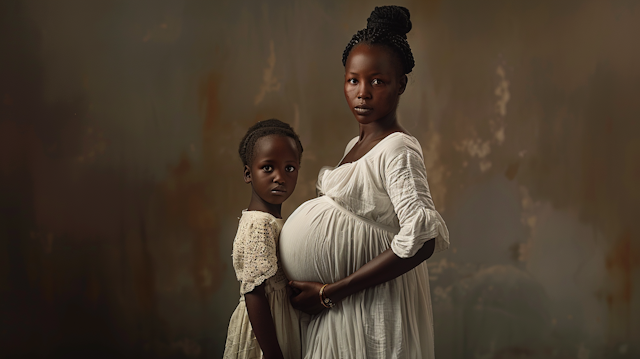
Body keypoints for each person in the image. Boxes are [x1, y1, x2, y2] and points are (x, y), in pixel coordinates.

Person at [279, 6, 450, 359]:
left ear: (400, 84)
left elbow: (422, 239)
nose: (363, 93)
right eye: (353, 80)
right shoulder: (354, 147)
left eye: (378, 81)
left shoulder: (398, 148)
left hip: (368, 309)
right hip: (341, 312)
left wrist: (331, 291)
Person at [223, 119, 305, 359]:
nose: (280, 177)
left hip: (282, 323)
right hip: (265, 336)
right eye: (268, 168)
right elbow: (254, 293)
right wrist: (273, 355)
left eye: (289, 168)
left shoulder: (275, 222)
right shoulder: (259, 224)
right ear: (248, 173)